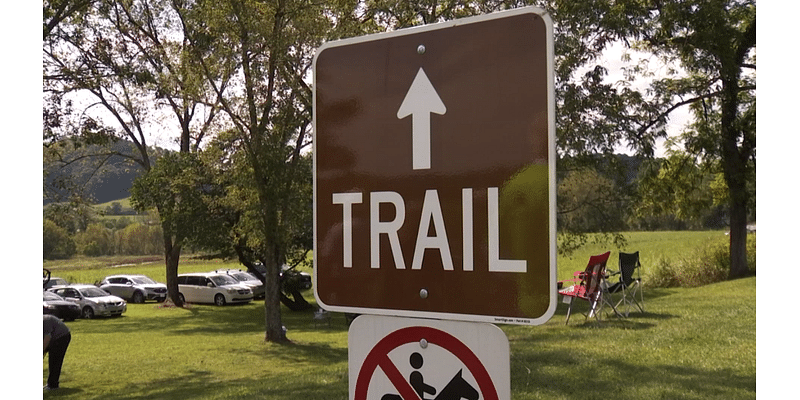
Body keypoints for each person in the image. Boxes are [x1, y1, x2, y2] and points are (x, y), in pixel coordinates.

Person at [43, 314, 71, 390]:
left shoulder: (45, 321)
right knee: (53, 360)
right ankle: (51, 383)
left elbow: (47, 338)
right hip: (55, 337)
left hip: (62, 337)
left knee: (55, 360)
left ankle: (53, 385)